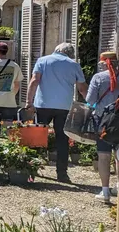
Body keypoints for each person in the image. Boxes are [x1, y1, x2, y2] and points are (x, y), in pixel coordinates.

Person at [26, 43, 88, 184]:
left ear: (56, 50)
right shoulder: (74, 65)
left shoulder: (43, 60)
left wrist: (29, 102)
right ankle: (62, 174)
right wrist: (91, 104)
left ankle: (30, 171)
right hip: (64, 107)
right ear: (70, 54)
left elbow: (34, 81)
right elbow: (82, 88)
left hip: (43, 105)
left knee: (36, 138)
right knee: (62, 140)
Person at [88, 51, 119, 203]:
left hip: (103, 121)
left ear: (103, 63)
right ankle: (118, 187)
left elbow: (90, 99)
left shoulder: (98, 78)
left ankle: (105, 191)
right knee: (118, 155)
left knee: (104, 155)